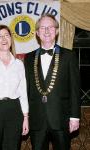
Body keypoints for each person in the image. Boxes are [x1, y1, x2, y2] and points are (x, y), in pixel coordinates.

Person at [24, 14, 80, 150]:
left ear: (57, 30)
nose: (47, 31)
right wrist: (24, 117)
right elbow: (26, 90)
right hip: (37, 120)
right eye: (43, 28)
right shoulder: (29, 58)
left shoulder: (69, 56)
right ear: (37, 33)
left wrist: (75, 116)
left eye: (50, 27)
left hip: (61, 119)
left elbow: (74, 88)